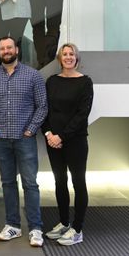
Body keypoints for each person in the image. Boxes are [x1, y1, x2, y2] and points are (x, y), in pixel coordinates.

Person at [0, 37, 47, 247]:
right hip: (1, 139)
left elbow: (42, 106)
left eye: (9, 47)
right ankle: (13, 226)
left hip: (24, 139)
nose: (6, 51)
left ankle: (36, 229)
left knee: (30, 184)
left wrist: (30, 130)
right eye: (2, 48)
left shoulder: (33, 75)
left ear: (16, 49)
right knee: (8, 184)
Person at [42, 43, 93, 245]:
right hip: (53, 141)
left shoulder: (85, 82)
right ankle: (63, 223)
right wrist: (48, 134)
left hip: (75, 141)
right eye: (65, 54)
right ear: (59, 58)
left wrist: (61, 136)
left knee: (78, 183)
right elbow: (44, 109)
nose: (69, 57)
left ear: (77, 58)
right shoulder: (52, 81)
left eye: (72, 54)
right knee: (59, 182)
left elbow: (82, 114)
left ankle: (78, 229)